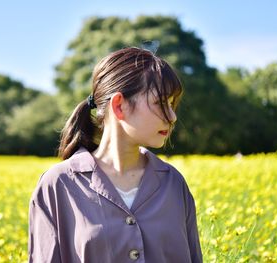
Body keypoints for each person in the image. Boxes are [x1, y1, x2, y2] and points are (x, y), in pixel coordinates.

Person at [28, 47, 203, 263]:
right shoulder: (57, 185)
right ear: (119, 106)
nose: (173, 116)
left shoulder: (173, 183)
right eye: (161, 103)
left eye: (172, 104)